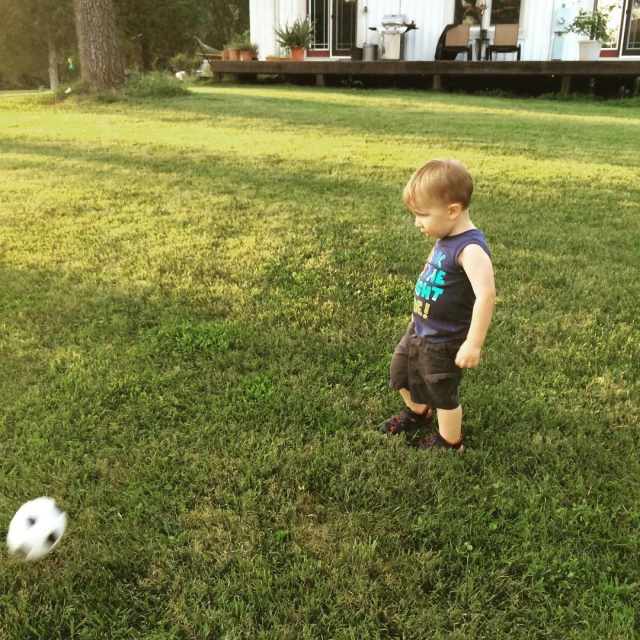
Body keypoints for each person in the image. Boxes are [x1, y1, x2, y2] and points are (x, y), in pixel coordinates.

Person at [378, 158, 496, 450]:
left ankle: (450, 441)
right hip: (419, 329)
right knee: (401, 372)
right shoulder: (445, 235)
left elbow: (486, 295)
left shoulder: (470, 249)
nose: (417, 222)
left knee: (442, 392)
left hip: (444, 340)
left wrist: (473, 344)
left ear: (452, 211)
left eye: (422, 214)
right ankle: (418, 411)